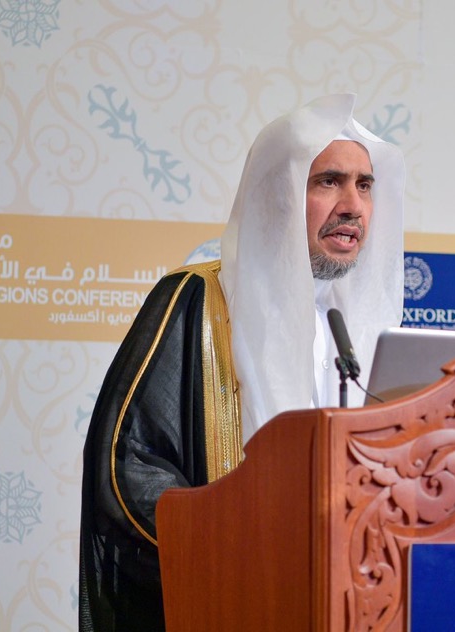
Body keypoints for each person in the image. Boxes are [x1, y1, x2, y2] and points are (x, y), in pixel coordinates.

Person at [78, 94, 405, 631]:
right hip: (231, 601)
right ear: (278, 193)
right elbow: (126, 466)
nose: (353, 205)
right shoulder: (198, 301)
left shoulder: (368, 329)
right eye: (328, 182)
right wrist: (233, 538)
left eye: (364, 186)